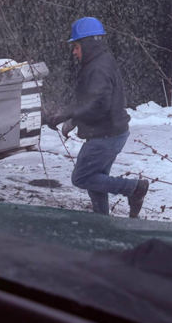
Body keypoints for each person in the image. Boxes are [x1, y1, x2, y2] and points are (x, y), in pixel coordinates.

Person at [44, 17, 149, 218]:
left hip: (106, 136)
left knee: (82, 177)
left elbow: (98, 104)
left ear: (88, 43)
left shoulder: (98, 68)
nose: (74, 52)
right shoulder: (101, 61)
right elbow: (95, 101)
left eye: (76, 46)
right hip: (112, 132)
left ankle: (133, 188)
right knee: (97, 179)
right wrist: (74, 120)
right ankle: (100, 220)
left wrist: (67, 114)